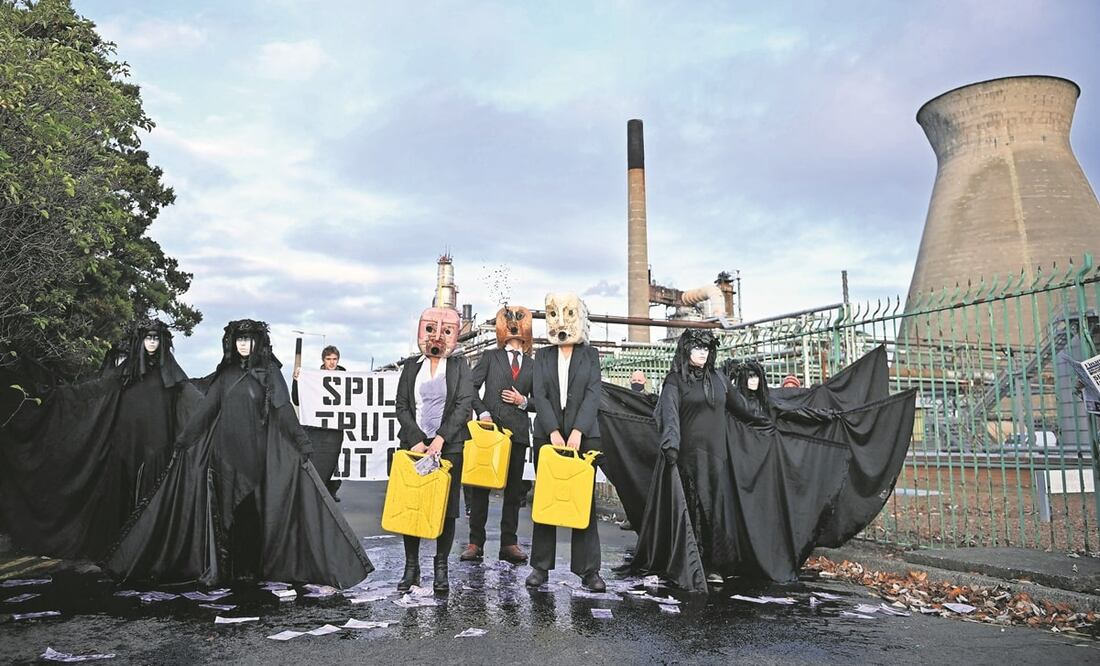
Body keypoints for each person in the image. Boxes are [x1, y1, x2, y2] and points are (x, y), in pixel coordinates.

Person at [102, 319, 373, 588]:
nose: (243, 344)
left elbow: (283, 410)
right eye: (239, 340)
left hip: (256, 456)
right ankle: (231, 571)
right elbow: (207, 410)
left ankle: (250, 570)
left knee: (251, 512)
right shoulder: (226, 375)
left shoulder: (269, 373)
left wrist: (302, 443)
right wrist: (184, 441)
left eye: (248, 339)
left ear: (257, 342)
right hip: (225, 456)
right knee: (226, 515)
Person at [0, 317, 200, 560]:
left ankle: (149, 552)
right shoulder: (125, 374)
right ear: (139, 341)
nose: (151, 342)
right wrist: (54, 396)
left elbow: (194, 402)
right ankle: (122, 551)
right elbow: (91, 393)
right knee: (123, 493)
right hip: (124, 446)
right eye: (147, 338)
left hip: (157, 446)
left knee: (152, 489)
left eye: (156, 338)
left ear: (163, 341)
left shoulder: (172, 376)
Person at [525, 292, 605, 592]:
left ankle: (589, 570)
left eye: (568, 314)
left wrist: (578, 431)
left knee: (583, 502)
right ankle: (540, 567)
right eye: (553, 314)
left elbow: (593, 394)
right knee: (547, 498)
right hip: (548, 438)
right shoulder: (543, 356)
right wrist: (554, 431)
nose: (560, 321)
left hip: (584, 438)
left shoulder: (590, 355)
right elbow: (540, 395)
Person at [394, 307, 475, 593]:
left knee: (447, 508)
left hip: (449, 447)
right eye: (431, 329)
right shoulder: (410, 367)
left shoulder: (459, 366)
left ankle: (441, 568)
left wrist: (440, 438)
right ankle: (411, 568)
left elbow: (464, 404)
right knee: (413, 505)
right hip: (414, 446)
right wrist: (416, 439)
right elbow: (402, 405)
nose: (437, 335)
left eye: (445, 330)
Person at [650, 329, 739, 585]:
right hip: (688, 459)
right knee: (693, 510)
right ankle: (694, 563)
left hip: (717, 459)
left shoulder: (719, 379)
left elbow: (742, 407)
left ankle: (715, 564)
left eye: (707, 348)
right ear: (686, 350)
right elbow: (670, 414)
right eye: (697, 347)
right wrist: (671, 445)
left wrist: (775, 411)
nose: (702, 352)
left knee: (717, 511)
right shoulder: (675, 380)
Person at [462, 305, 536, 565]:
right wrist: (482, 412)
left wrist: (523, 401)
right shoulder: (490, 357)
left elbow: (541, 400)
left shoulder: (533, 365)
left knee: (514, 492)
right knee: (480, 488)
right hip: (489, 434)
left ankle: (509, 543)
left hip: (517, 434)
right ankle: (475, 543)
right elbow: (470, 387)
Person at [294, 345, 346, 500]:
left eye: (334, 359)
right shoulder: (313, 379)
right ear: (323, 360)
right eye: (328, 359)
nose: (332, 362)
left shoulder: (346, 377)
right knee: (318, 460)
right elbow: (297, 399)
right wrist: (296, 381)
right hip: (319, 428)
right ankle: (318, 491)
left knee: (337, 461)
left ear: (338, 360)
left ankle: (331, 490)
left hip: (337, 427)